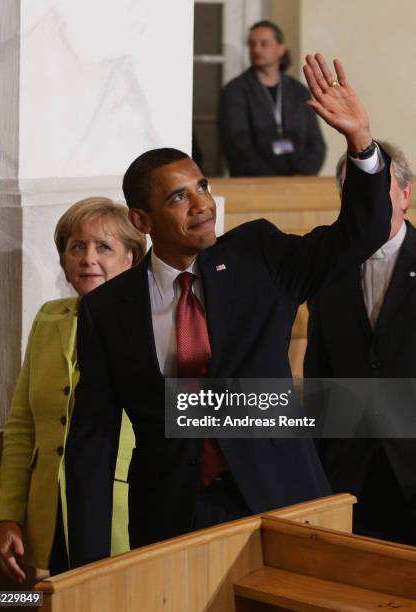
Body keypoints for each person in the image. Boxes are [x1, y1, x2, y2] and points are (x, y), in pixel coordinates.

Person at [66, 54, 392, 567]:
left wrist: (362, 145)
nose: (203, 204)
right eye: (180, 197)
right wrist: (84, 568)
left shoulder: (257, 255)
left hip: (280, 497)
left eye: (203, 187)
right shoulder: (108, 309)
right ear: (141, 219)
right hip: (173, 514)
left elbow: (360, 234)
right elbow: (93, 438)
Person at [0, 197, 146, 582]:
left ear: (131, 259)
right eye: (77, 246)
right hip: (50, 515)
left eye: (104, 247)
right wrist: (9, 514)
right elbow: (21, 427)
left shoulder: (152, 325)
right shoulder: (49, 318)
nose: (87, 258)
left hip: (124, 513)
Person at [304, 141, 416, 545]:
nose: (366, 204)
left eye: (378, 190)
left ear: (406, 194)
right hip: (348, 475)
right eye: (354, 194)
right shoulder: (328, 271)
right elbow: (319, 372)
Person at [218, 20, 325, 177]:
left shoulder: (299, 91)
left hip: (299, 182)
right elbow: (236, 146)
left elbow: (316, 144)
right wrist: (273, 179)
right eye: (252, 44)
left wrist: (302, 173)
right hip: (254, 183)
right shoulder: (234, 91)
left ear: (281, 49)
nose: (256, 49)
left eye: (264, 43)